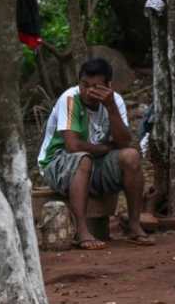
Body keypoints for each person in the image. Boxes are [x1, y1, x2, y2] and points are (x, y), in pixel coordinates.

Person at [37, 57, 154, 249]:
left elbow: (124, 142)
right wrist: (105, 148)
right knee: (83, 158)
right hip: (57, 163)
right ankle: (82, 231)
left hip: (95, 162)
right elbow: (73, 146)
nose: (88, 91)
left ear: (108, 86)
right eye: (85, 85)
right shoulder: (69, 99)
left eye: (96, 86)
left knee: (131, 156)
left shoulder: (114, 101)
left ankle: (134, 225)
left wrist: (111, 108)